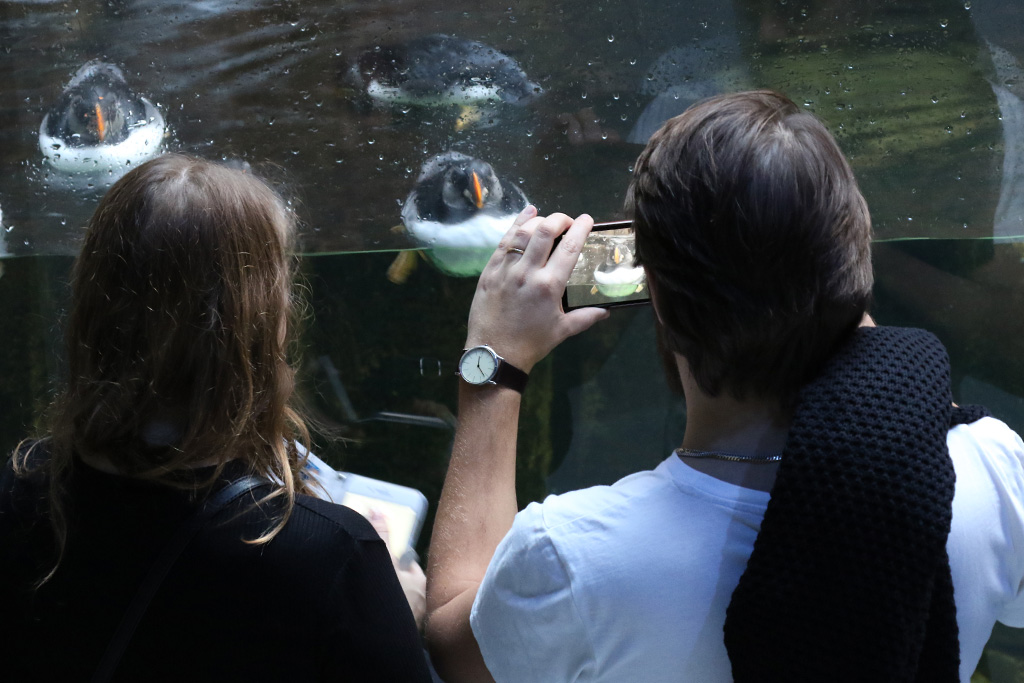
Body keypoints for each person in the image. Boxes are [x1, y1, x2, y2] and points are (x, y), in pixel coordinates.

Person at [424, 90, 1024, 682]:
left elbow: (456, 640)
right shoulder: (994, 468)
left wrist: (494, 360)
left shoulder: (574, 559)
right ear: (854, 252)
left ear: (650, 286)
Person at [0, 154, 433, 681]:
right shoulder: (327, 554)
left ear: (93, 303)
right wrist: (395, 611)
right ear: (263, 319)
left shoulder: (19, 492)